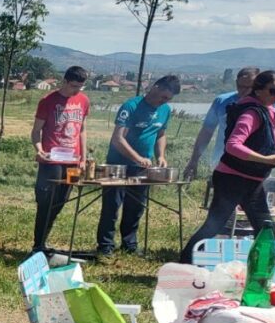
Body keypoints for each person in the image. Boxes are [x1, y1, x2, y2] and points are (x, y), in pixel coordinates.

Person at [180, 71, 275, 263]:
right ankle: (184, 263)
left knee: (266, 228)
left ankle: (263, 270)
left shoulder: (269, 112)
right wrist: (265, 159)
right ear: (258, 91)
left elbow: (264, 141)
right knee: (214, 226)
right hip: (232, 179)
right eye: (273, 90)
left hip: (252, 181)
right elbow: (233, 145)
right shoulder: (251, 113)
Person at [97, 75, 179, 258]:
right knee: (112, 207)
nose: (163, 101)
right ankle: (105, 246)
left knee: (136, 207)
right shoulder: (131, 106)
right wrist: (137, 157)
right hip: (117, 165)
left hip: (142, 168)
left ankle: (129, 244)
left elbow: (161, 134)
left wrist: (161, 156)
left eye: (168, 99)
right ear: (155, 87)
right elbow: (118, 139)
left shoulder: (165, 110)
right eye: (163, 97)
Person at [185, 66, 275, 183]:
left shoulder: (273, 100)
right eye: (241, 86)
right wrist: (193, 160)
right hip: (225, 163)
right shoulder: (222, 101)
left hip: (259, 164)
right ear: (236, 83)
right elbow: (207, 132)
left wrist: (265, 139)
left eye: (249, 87)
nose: (245, 91)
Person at [30, 66, 90, 255]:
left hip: (73, 162)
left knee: (62, 201)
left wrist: (84, 158)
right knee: (47, 202)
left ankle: (44, 242)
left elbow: (82, 129)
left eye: (80, 87)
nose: (77, 90)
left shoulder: (83, 100)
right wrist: (39, 150)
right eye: (74, 86)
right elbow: (36, 131)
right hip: (52, 161)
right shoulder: (47, 101)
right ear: (64, 81)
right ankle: (37, 245)